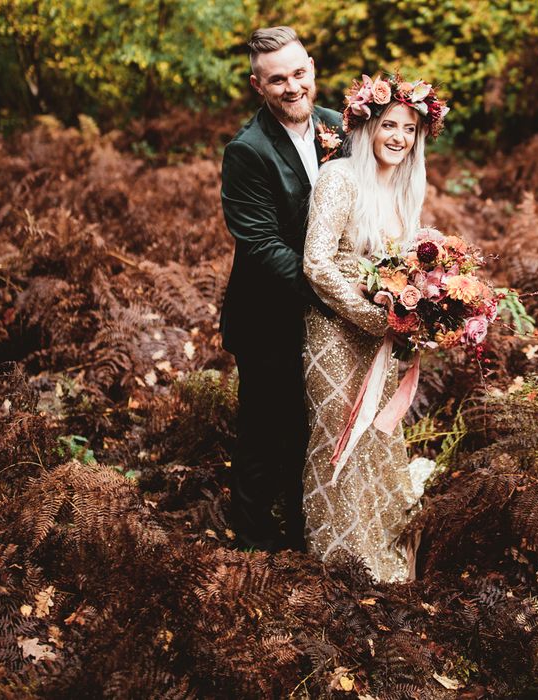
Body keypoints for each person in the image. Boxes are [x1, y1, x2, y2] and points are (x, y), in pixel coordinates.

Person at [302, 75, 448, 582]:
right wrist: (374, 317)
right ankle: (339, 559)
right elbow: (317, 264)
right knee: (338, 435)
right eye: (390, 125)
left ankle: (380, 553)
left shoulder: (406, 190)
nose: (400, 137)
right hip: (333, 332)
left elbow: (404, 269)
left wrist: (424, 311)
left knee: (378, 439)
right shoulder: (339, 178)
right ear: (368, 126)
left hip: (381, 338)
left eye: (410, 129)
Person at [220, 27, 343, 551]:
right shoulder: (247, 152)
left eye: (299, 73)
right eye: (277, 80)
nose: (293, 87)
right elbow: (262, 246)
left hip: (329, 314)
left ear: (312, 68)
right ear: (257, 85)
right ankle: (250, 549)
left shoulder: (342, 127)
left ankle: (305, 535)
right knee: (265, 433)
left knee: (315, 429)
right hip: (268, 317)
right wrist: (340, 295)